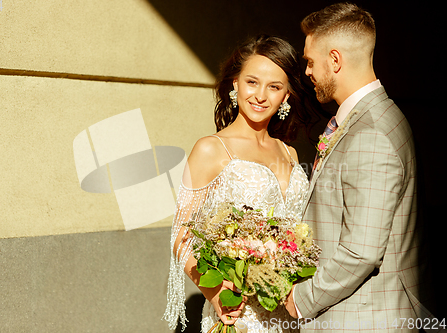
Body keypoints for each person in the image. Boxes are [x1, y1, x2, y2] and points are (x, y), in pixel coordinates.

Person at [284, 3, 432, 332]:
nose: (307, 72)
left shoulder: (372, 133)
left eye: (310, 61)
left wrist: (302, 298)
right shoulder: (364, 119)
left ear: (334, 60)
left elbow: (361, 251)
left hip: (361, 318)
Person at [164, 35, 317, 333]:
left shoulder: (290, 152)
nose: (261, 95)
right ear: (235, 84)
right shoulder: (211, 148)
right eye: (252, 82)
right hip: (239, 313)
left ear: (286, 96)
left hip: (291, 310)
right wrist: (217, 293)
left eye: (274, 87)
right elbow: (181, 235)